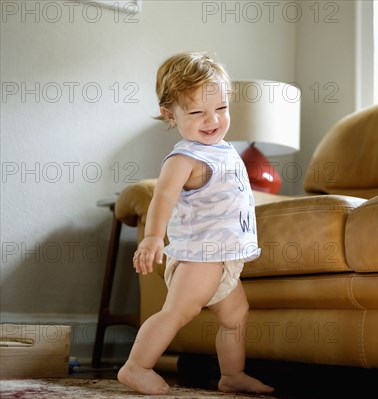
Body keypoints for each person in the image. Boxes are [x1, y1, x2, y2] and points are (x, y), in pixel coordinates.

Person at [117, 52, 274, 396]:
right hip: (199, 256)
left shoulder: (224, 149)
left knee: (236, 315)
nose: (212, 119)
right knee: (176, 313)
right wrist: (154, 236)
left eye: (220, 108)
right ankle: (136, 366)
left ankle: (232, 375)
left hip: (225, 257)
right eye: (197, 112)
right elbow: (163, 198)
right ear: (169, 115)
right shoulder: (185, 158)